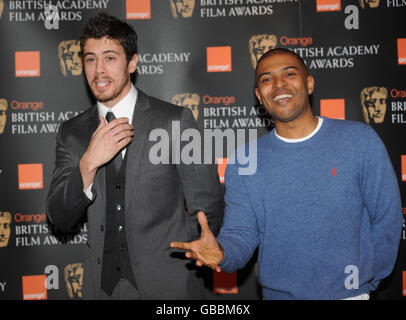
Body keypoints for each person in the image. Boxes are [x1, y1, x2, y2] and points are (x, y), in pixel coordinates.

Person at [171, 48, 403, 300]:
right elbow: (242, 233)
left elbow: (386, 219)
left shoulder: (359, 141)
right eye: (267, 79)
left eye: (289, 74)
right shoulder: (245, 159)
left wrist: (365, 284)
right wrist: (223, 254)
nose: (279, 84)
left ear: (309, 83)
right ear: (259, 96)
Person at [46, 12, 224, 300]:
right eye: (90, 59)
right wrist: (88, 163)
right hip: (101, 289)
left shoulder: (175, 121)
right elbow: (59, 218)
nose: (98, 70)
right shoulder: (72, 132)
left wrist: (173, 253)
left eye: (110, 58)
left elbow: (208, 204)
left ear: (132, 62)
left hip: (169, 286)